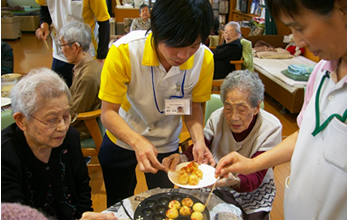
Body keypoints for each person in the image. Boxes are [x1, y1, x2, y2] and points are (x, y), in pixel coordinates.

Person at [215, 0, 347, 219]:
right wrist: (251, 164)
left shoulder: (269, 126)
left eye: (300, 27)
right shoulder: (322, 72)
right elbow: (306, 133)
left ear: (342, 7)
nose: (297, 40)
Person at [98, 0, 216, 207]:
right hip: (123, 134)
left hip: (167, 140)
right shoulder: (124, 51)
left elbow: (193, 108)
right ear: (157, 29)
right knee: (117, 202)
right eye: (175, 45)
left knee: (165, 202)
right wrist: (137, 141)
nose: (183, 55)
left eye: (193, 45)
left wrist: (198, 140)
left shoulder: (204, 59)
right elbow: (108, 113)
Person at [163, 70, 282, 220]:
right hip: (215, 181)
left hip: (252, 191)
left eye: (242, 109)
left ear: (256, 107)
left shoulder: (271, 128)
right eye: (228, 108)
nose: (233, 117)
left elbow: (256, 178)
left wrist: (232, 181)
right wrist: (182, 158)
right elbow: (201, 146)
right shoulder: (217, 117)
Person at [1, 68, 115, 220]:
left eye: (66, 116)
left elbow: (82, 189)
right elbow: (13, 215)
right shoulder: (6, 155)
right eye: (52, 120)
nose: (63, 127)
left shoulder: (69, 138)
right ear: (21, 120)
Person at [35, 0, 110, 87]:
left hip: (85, 53)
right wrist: (44, 26)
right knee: (58, 90)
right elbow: (45, 7)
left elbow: (104, 21)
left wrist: (100, 57)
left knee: (83, 91)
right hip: (61, 52)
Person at [59, 21, 102, 140]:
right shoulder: (86, 65)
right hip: (78, 121)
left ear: (76, 47)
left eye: (63, 46)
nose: (62, 51)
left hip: (82, 127)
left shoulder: (88, 76)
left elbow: (75, 113)